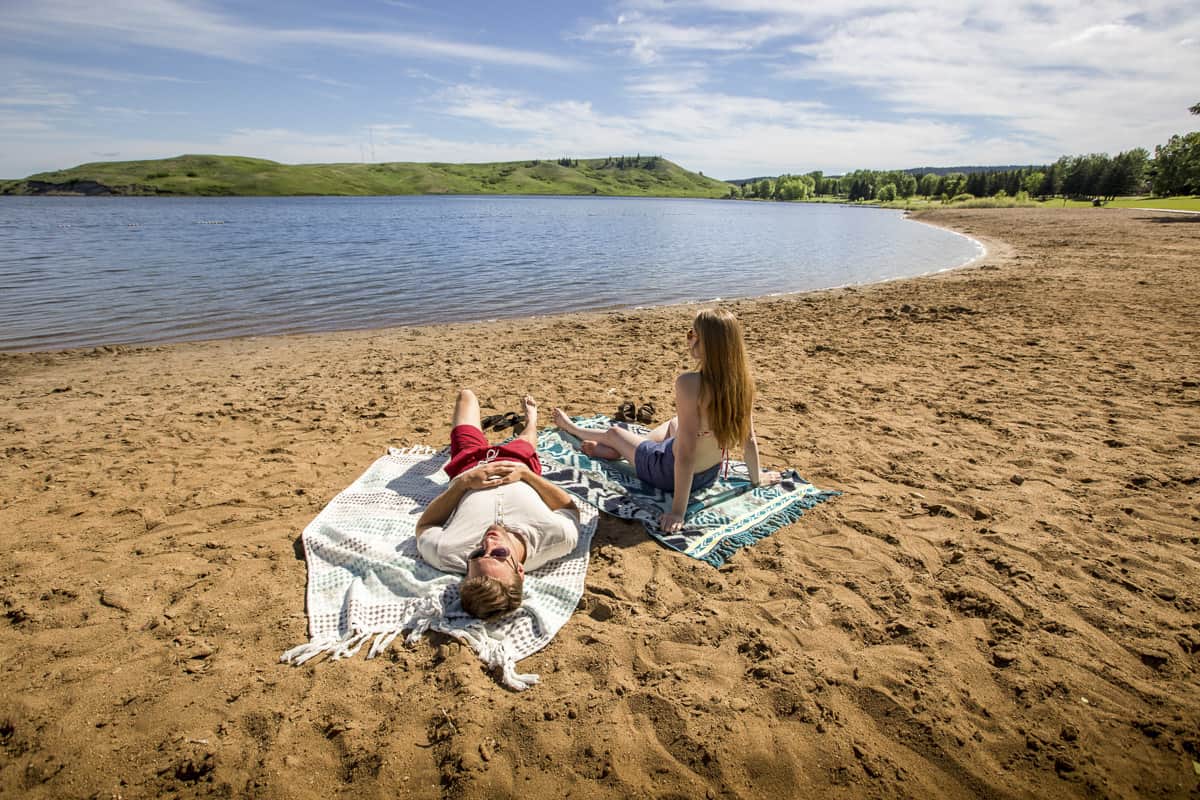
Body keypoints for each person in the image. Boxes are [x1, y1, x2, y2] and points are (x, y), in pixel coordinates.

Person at [553, 308, 781, 533]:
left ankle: (574, 429)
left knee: (614, 432)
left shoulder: (690, 384)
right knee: (674, 423)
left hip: (667, 473)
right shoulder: (743, 384)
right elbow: (748, 438)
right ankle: (626, 449)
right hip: (710, 474)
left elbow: (686, 453)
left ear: (707, 344)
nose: (689, 339)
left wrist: (677, 512)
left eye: (692, 334)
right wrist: (756, 478)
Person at [415, 390, 580, 620]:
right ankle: (532, 419)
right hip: (516, 461)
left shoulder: (446, 553)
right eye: (499, 553)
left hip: (468, 463)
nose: (488, 542)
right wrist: (526, 475)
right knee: (526, 443)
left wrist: (463, 484)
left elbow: (425, 525)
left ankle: (517, 424)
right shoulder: (557, 538)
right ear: (520, 571)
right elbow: (570, 509)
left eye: (478, 552)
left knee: (466, 396)